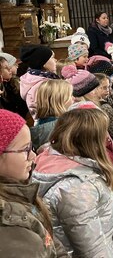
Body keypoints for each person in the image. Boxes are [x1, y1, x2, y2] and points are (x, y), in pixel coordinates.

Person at [32, 109, 113, 257]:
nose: (107, 138)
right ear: (90, 142)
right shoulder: (75, 190)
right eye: (103, 133)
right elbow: (93, 250)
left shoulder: (62, 164)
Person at [0, 109, 69, 257]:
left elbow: (50, 242)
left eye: (31, 147)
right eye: (25, 149)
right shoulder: (11, 230)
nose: (33, 155)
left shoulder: (19, 193)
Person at [30, 79, 73, 151]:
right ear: (60, 100)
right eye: (70, 96)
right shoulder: (62, 127)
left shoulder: (40, 124)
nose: (73, 99)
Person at [19, 45, 59, 120]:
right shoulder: (41, 86)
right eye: (52, 58)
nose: (56, 60)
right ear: (43, 62)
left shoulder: (39, 80)